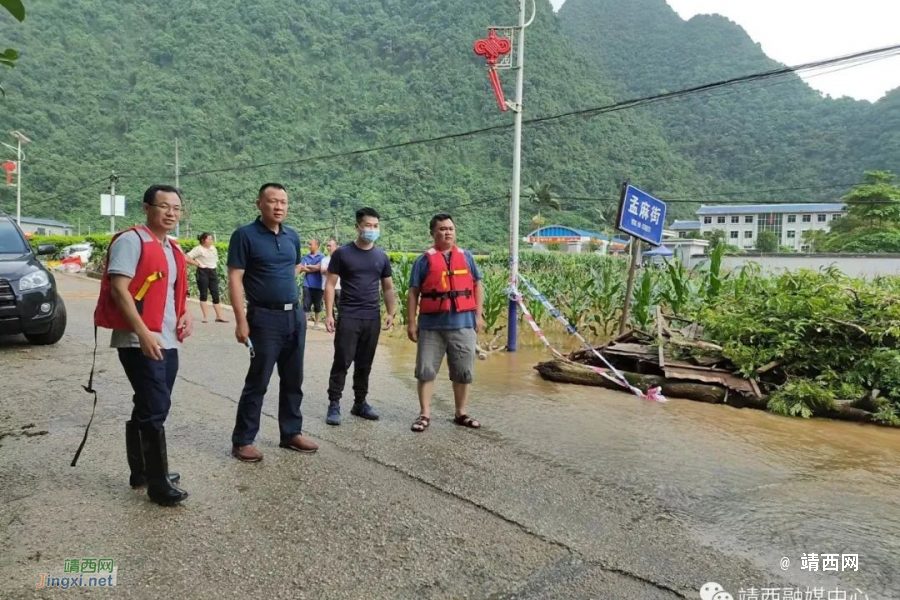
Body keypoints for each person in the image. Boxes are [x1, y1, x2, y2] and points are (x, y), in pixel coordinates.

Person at [93, 184, 192, 505]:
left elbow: (174, 292)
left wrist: (184, 314)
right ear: (147, 208)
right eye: (164, 206)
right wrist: (143, 332)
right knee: (156, 405)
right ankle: (158, 484)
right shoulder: (131, 241)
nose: (171, 213)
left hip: (168, 338)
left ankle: (142, 471)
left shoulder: (172, 248)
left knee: (149, 402)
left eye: (176, 208)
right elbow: (119, 290)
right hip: (139, 339)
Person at [227, 183, 318, 462]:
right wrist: (241, 321)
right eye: (272, 201)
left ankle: (291, 433)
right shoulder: (244, 235)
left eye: (283, 202)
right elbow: (235, 279)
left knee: (294, 378)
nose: (279, 207)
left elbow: (293, 267)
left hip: (295, 315)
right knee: (259, 380)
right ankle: (243, 440)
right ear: (259, 204)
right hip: (264, 318)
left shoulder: (292, 236)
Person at [406, 214, 484, 433]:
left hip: (463, 324)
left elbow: (477, 285)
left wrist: (479, 315)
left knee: (463, 371)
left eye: (450, 228)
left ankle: (461, 413)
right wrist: (411, 323)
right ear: (432, 233)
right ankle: (424, 414)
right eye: (442, 229)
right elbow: (413, 293)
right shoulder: (423, 261)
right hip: (431, 326)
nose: (447, 232)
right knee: (425, 370)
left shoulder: (467, 257)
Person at [323, 208, 396, 425]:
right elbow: (330, 284)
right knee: (342, 361)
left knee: (365, 363)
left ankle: (360, 403)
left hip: (372, 317)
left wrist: (390, 312)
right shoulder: (342, 254)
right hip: (349, 315)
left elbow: (388, 287)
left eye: (376, 226)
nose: (372, 229)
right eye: (368, 225)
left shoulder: (381, 256)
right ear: (357, 227)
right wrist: (329, 314)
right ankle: (334, 404)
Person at [185, 232, 228, 324]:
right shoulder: (198, 249)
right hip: (202, 272)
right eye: (209, 239)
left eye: (211, 239)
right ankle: (205, 317)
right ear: (203, 240)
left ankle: (219, 316)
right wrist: (196, 263)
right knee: (203, 294)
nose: (211, 241)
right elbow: (186, 257)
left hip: (213, 272)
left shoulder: (213, 248)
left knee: (215, 294)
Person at [299, 238, 325, 329]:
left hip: (318, 285)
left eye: (311, 244)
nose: (309, 246)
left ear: (317, 245)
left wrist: (309, 267)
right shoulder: (306, 257)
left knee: (318, 305)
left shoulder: (322, 257)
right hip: (307, 284)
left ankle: (316, 323)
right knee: (306, 304)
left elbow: (320, 268)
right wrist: (315, 268)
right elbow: (301, 268)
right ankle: (305, 323)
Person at [320, 238, 341, 318]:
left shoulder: (341, 258)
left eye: (330, 246)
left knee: (340, 306)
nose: (328, 247)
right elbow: (322, 271)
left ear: (336, 246)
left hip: (339, 286)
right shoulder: (324, 259)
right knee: (329, 307)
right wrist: (335, 270)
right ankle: (332, 322)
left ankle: (340, 322)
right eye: (327, 246)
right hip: (326, 286)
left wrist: (329, 270)